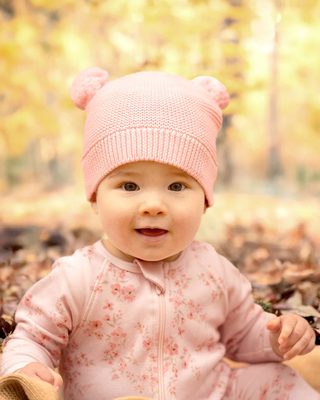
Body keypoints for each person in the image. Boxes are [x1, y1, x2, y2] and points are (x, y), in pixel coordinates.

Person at [0, 67, 319, 400]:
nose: (153, 204)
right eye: (130, 185)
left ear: (205, 202)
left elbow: (242, 334)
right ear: (95, 198)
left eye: (177, 185)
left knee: (278, 377)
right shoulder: (77, 278)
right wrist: (25, 366)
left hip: (212, 393)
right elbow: (32, 338)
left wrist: (276, 337)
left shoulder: (213, 270)